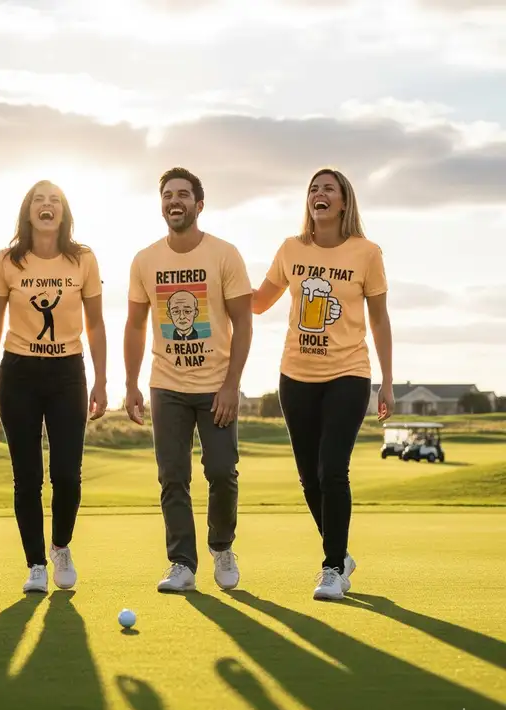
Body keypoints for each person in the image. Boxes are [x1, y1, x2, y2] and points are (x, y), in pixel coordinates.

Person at [251, 167, 394, 601]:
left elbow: (379, 319)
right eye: (313, 188)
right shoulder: (290, 249)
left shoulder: (367, 253)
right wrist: (219, 280)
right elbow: (258, 304)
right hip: (295, 377)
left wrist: (387, 380)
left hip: (349, 373)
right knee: (309, 478)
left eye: (328, 189)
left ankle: (332, 568)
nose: (319, 193)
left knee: (332, 468)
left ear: (344, 202)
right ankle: (341, 553)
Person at [124, 167, 254, 593]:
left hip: (216, 385)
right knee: (173, 477)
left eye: (182, 194)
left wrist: (232, 384)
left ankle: (222, 546)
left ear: (200, 204)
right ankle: (181, 563)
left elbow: (243, 323)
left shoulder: (224, 254)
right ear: (161, 204)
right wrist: (131, 383)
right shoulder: (145, 260)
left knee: (221, 471)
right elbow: (135, 326)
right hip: (167, 385)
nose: (174, 201)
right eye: (167, 195)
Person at [0, 180, 107, 594]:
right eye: (39, 200)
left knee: (67, 474)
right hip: (18, 373)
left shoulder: (83, 259)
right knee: (27, 476)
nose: (46, 205)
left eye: (54, 200)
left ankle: (61, 547)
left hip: (68, 371)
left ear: (64, 212)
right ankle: (35, 564)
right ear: (28, 211)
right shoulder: (7, 261)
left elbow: (97, 322)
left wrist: (102, 379)